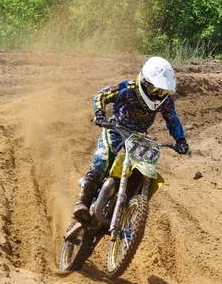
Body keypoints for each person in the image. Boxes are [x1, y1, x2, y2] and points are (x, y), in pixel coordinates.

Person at [72, 56, 189, 221]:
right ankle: (82, 202)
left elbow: (172, 119)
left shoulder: (166, 101)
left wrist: (180, 140)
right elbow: (102, 95)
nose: (159, 95)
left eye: (162, 91)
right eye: (156, 90)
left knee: (144, 167)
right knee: (104, 157)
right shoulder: (128, 89)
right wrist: (99, 112)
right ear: (145, 83)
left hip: (139, 136)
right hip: (116, 128)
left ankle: (127, 208)